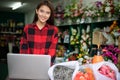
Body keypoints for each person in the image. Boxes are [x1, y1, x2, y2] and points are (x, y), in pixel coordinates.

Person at [20, 0, 58, 65]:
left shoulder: (54, 30)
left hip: (46, 66)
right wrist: (26, 64)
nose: (44, 15)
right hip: (29, 65)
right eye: (41, 11)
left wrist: (45, 65)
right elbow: (23, 49)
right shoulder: (27, 28)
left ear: (50, 15)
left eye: (47, 13)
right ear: (37, 11)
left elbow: (52, 52)